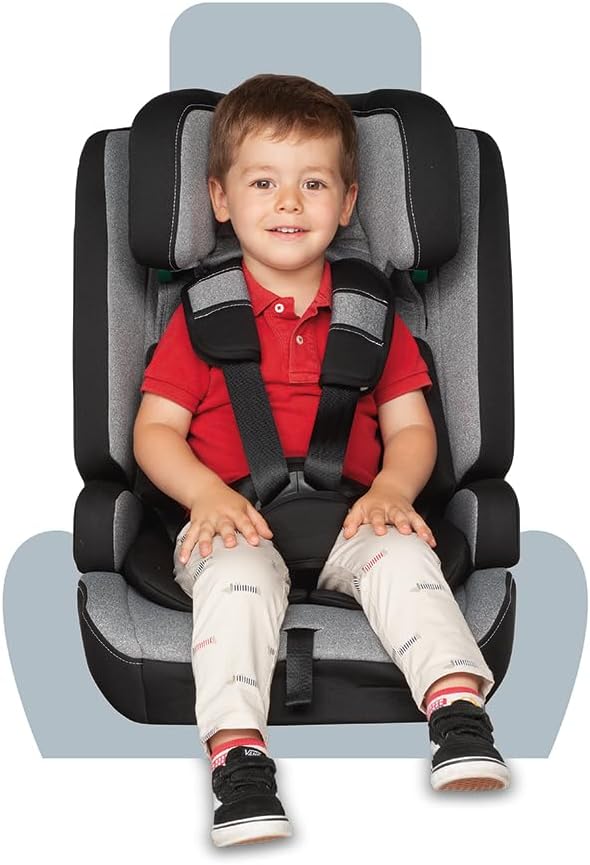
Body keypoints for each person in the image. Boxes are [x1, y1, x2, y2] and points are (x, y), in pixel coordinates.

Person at [133, 73, 510, 848]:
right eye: (262, 182)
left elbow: (412, 429)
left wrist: (395, 490)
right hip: (234, 519)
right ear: (219, 199)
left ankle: (458, 711)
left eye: (313, 183)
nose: (289, 202)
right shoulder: (201, 319)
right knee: (235, 582)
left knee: (406, 558)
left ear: (347, 204)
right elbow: (155, 432)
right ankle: (239, 758)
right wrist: (204, 495)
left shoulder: (372, 316)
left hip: (353, 516)